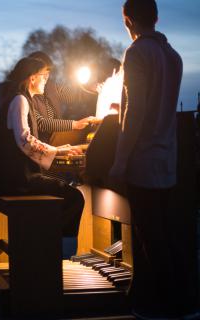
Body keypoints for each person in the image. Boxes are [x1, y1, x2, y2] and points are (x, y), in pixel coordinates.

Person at [109, 1, 191, 318]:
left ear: (128, 20)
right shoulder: (173, 55)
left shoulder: (137, 52)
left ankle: (162, 305)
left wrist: (118, 161)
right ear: (156, 17)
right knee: (165, 233)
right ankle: (176, 299)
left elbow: (135, 113)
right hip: (167, 159)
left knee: (149, 237)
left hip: (143, 159)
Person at [0, 57, 85, 257]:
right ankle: (55, 253)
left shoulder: (20, 98)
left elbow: (25, 140)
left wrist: (60, 150)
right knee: (74, 197)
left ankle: (48, 248)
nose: (47, 80)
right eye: (44, 75)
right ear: (32, 78)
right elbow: (25, 141)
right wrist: (56, 152)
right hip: (14, 180)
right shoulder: (20, 100)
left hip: (10, 177)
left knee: (65, 190)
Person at [25, 51, 98, 144]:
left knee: (90, 129)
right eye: (43, 73)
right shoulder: (26, 96)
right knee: (86, 132)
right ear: (33, 75)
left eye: (48, 72)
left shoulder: (51, 87)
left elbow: (75, 95)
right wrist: (75, 124)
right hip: (42, 141)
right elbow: (41, 123)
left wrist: (92, 89)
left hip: (55, 135)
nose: (47, 77)